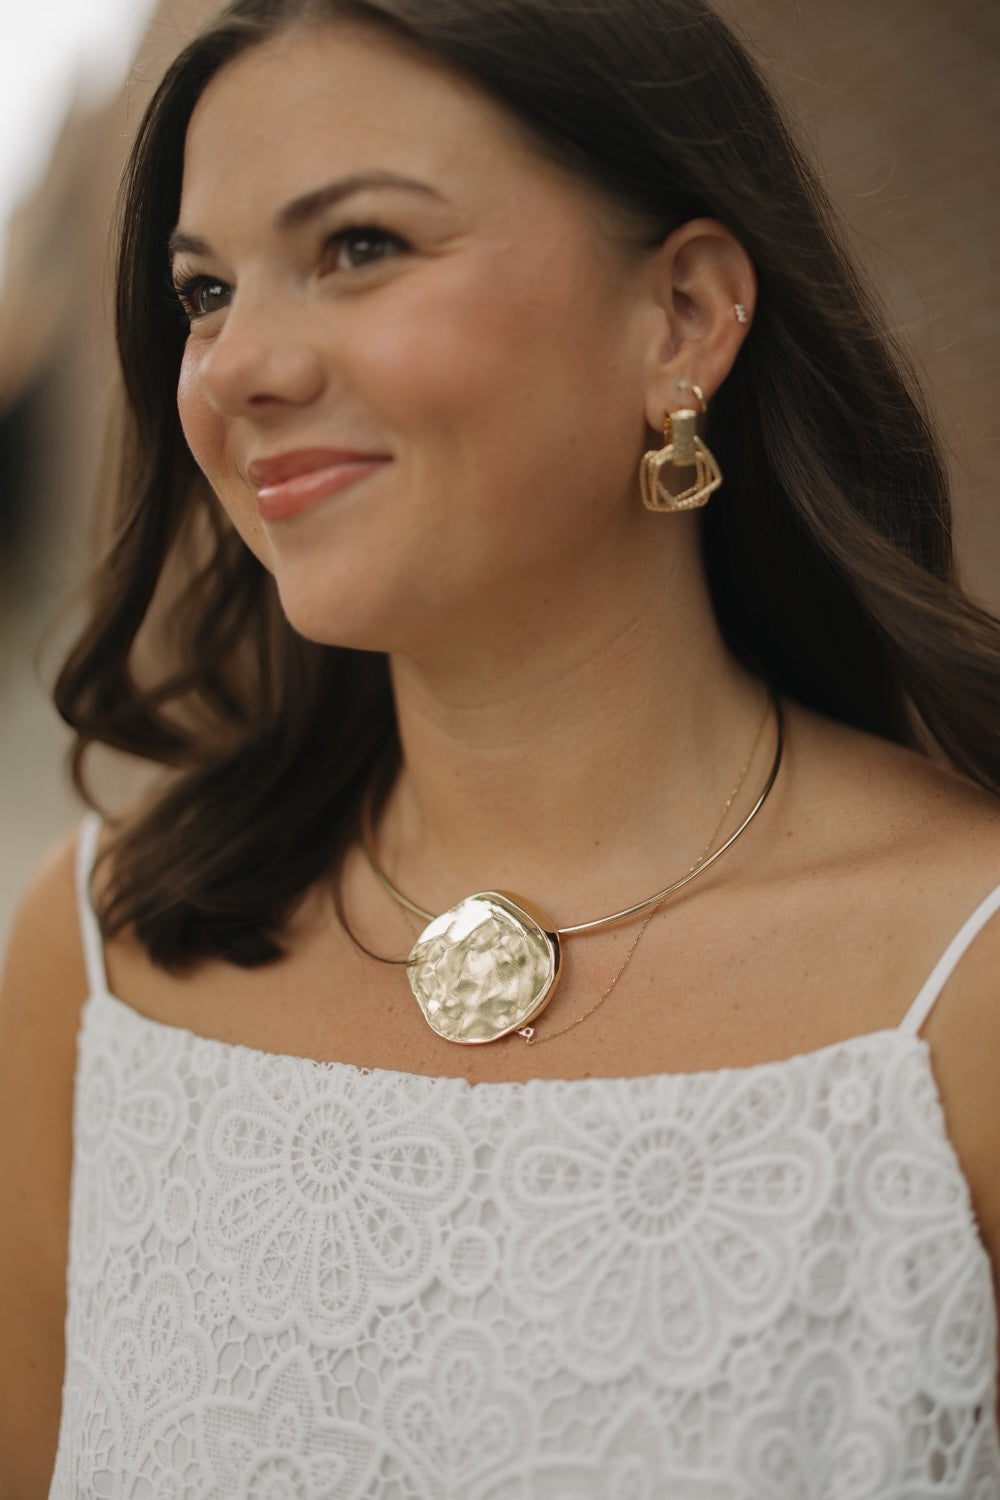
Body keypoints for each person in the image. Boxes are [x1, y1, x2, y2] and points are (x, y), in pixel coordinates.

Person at [2, 0, 999, 1492]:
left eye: (360, 246)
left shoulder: (965, 984)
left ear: (683, 317)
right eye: (204, 291)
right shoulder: (103, 957)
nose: (235, 367)